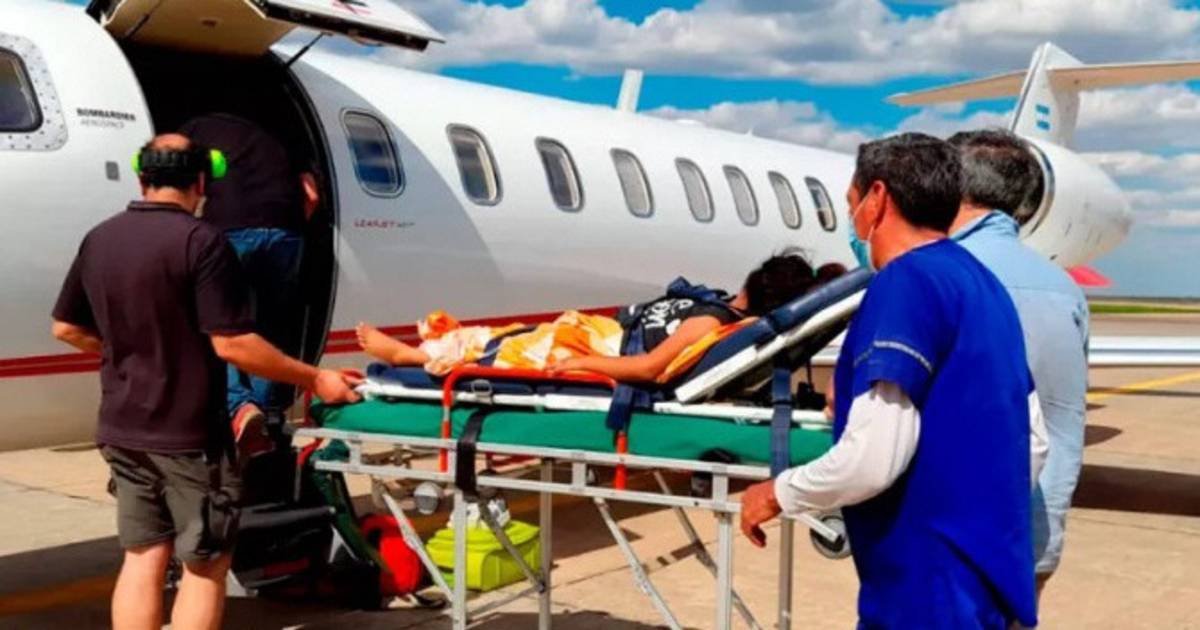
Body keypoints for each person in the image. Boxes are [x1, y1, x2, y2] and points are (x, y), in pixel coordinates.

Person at [50, 133, 360, 630]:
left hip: (122, 430)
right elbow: (234, 345)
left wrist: (133, 351)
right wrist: (315, 376)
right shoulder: (202, 242)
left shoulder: (100, 238)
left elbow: (66, 328)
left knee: (143, 556)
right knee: (205, 564)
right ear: (201, 182)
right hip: (189, 438)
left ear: (142, 178)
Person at [739, 133, 1048, 629]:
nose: (853, 219)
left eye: (851, 204)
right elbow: (1032, 440)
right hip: (983, 580)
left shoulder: (904, 283)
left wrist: (779, 492)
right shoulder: (983, 285)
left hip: (923, 588)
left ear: (877, 197)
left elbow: (873, 458)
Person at [948, 128, 1090, 598]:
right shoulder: (1064, 288)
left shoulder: (935, 275)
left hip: (951, 547)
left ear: (953, 187)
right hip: (1036, 538)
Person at [356, 254, 819, 382]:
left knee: (504, 352)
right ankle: (422, 350)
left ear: (755, 280)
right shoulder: (719, 309)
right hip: (600, 334)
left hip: (603, 348)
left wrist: (583, 364)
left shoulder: (712, 322)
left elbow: (648, 368)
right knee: (503, 337)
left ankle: (410, 358)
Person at [179, 113, 320, 457]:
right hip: (285, 231)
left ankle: (239, 406)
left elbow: (184, 184)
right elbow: (312, 195)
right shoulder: (283, 135)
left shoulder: (194, 130)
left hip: (230, 227)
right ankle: (266, 414)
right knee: (272, 326)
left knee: (218, 323)